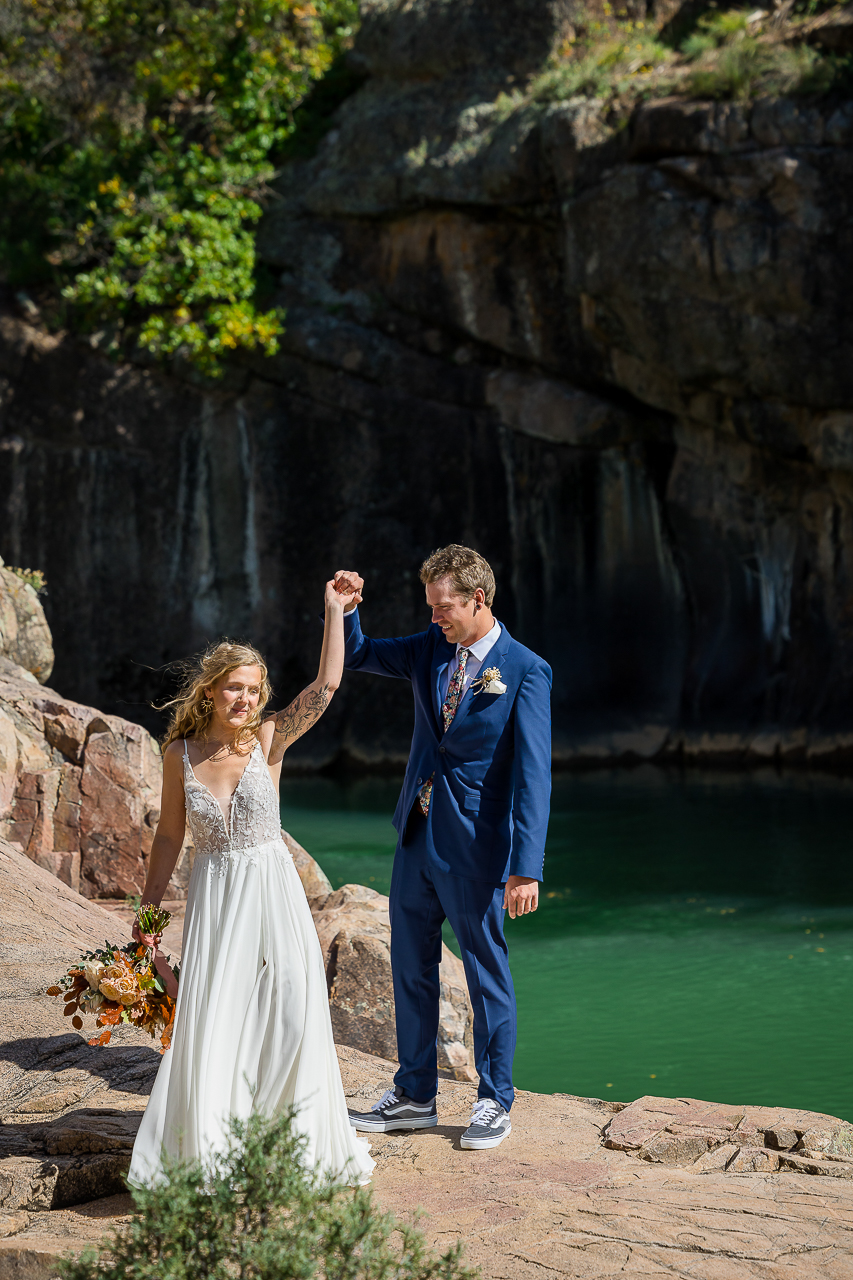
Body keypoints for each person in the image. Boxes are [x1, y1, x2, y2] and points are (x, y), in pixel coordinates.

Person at [127, 579, 374, 1188]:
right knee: (215, 1017)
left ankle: (289, 1142)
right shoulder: (180, 753)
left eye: (254, 689)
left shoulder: (269, 739)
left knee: (292, 1008)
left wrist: (334, 612)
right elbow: (167, 839)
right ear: (210, 690)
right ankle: (214, 1151)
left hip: (272, 889)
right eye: (234, 687)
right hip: (216, 895)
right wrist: (149, 915)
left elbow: (327, 687)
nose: (244, 698)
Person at [336, 545, 551, 1150]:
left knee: (486, 972)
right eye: (431, 606)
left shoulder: (526, 670)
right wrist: (347, 610)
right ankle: (413, 1095)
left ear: (478, 599)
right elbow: (358, 655)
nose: (435, 616)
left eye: (444, 606)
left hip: (478, 847)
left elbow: (535, 779)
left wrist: (525, 869)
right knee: (410, 965)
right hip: (416, 837)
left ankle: (493, 1100)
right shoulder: (432, 648)